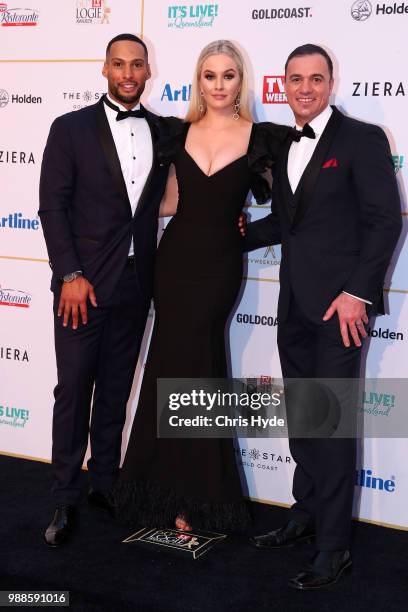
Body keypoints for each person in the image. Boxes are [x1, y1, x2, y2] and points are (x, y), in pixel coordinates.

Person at [114, 40, 294, 532]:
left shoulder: (264, 139)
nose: (219, 85)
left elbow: (288, 212)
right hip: (173, 265)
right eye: (210, 75)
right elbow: (168, 202)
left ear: (241, 82)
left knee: (200, 366)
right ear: (199, 81)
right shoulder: (176, 134)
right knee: (169, 367)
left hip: (218, 267)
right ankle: (160, 492)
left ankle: (197, 495)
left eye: (228, 76)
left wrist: (247, 233)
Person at [246, 44, 402, 589]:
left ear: (331, 82)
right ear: (284, 86)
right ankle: (305, 515)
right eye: (296, 80)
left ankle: (334, 548)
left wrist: (358, 293)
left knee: (332, 430)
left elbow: (386, 223)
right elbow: (288, 223)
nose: (305, 88)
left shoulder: (361, 139)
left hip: (341, 313)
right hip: (293, 307)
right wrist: (231, 232)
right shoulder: (284, 143)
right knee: (305, 421)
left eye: (316, 78)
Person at [39, 33, 170, 546]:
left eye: (137, 64)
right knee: (73, 390)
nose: (129, 73)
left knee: (116, 389)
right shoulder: (69, 129)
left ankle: (105, 484)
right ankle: (64, 497)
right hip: (83, 286)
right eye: (119, 64)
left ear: (148, 69)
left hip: (137, 284)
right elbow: (53, 206)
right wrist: (70, 275)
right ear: (105, 69)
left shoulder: (162, 131)